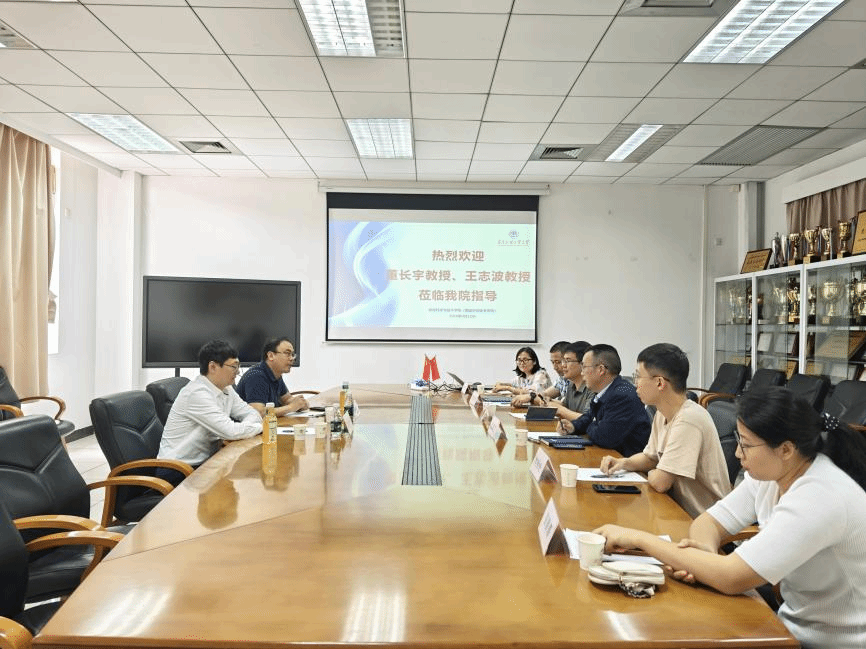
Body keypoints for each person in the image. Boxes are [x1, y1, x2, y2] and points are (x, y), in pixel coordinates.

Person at [594, 386, 866, 649]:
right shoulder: (775, 473)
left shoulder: (818, 495)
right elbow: (710, 521)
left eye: (745, 445)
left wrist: (639, 539)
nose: (737, 453)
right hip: (791, 626)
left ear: (786, 449)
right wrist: (704, 558)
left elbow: (732, 578)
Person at [599, 343, 730, 518]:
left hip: (701, 520)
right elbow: (650, 457)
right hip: (675, 510)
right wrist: (623, 463)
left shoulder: (689, 419)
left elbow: (661, 483)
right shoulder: (662, 413)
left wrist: (656, 471)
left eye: (638, 377)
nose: (635, 384)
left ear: (660, 383)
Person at [158, 340, 262, 474]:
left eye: (238, 367)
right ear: (213, 367)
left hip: (207, 462)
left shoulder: (226, 389)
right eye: (233, 367)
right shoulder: (196, 393)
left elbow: (252, 413)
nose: (237, 372)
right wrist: (260, 427)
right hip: (179, 469)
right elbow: (230, 431)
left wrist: (250, 426)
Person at [558, 344, 650, 457]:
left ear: (601, 370)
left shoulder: (622, 395)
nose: (582, 373)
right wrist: (573, 426)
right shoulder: (606, 390)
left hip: (625, 461)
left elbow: (604, 437)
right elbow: (590, 416)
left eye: (584, 367)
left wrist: (592, 425)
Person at [235, 337, 309, 416]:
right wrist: (291, 407)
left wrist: (301, 403)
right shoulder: (256, 376)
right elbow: (259, 412)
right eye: (287, 353)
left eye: (292, 355)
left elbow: (286, 399)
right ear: (271, 356)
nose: (291, 359)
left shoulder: (276, 374)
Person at [511, 340, 582, 407]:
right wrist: (531, 397)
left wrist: (539, 399)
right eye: (553, 362)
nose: (554, 367)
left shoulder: (541, 374)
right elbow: (545, 394)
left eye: (558, 362)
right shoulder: (562, 379)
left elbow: (566, 407)